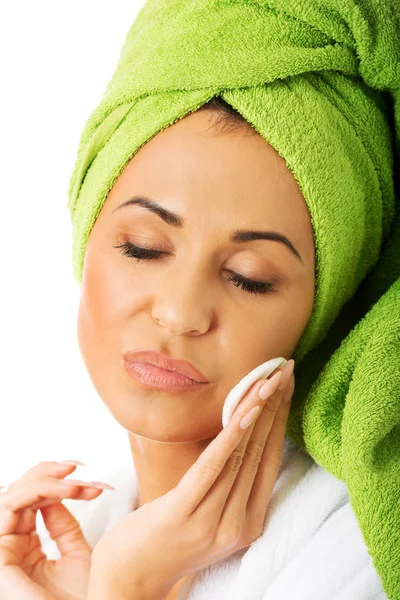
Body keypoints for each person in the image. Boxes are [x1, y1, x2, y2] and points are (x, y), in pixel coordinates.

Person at [1, 0, 399, 598]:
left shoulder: (362, 542)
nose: (180, 312)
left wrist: (126, 589)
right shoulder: (75, 540)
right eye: (142, 248)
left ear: (323, 310)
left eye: (249, 277)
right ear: (86, 237)